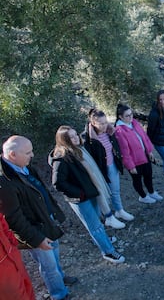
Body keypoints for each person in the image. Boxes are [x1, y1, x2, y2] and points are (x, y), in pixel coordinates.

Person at [0, 135, 76, 300]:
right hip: (36, 231)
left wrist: (55, 214)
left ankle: (60, 279)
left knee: (54, 256)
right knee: (48, 265)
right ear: (13, 155)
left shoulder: (25, 166)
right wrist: (37, 239)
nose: (32, 155)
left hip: (46, 221)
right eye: (28, 152)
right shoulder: (4, 183)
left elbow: (42, 192)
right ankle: (59, 294)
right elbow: (14, 219)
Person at [50, 126, 125, 264]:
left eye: (75, 135)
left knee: (97, 220)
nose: (75, 138)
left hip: (90, 193)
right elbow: (58, 183)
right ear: (63, 140)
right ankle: (108, 252)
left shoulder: (79, 150)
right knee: (94, 226)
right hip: (80, 199)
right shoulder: (61, 158)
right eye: (71, 137)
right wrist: (80, 193)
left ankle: (103, 240)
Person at [83, 109, 135, 223]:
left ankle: (119, 210)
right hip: (99, 170)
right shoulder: (87, 138)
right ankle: (107, 216)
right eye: (101, 123)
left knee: (115, 190)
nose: (104, 125)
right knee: (103, 194)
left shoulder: (110, 132)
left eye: (105, 122)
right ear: (93, 123)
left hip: (112, 165)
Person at [115, 104, 163, 204]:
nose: (131, 117)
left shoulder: (134, 123)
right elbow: (124, 150)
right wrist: (130, 166)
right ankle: (143, 196)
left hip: (144, 155)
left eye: (131, 114)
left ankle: (151, 192)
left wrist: (149, 151)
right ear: (120, 117)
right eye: (127, 116)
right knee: (137, 179)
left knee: (148, 175)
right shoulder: (120, 130)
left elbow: (144, 137)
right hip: (134, 161)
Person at [0, 215, 35, 300]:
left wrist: (13, 243)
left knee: (27, 288)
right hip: (3, 272)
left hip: (12, 256)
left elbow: (3, 223)